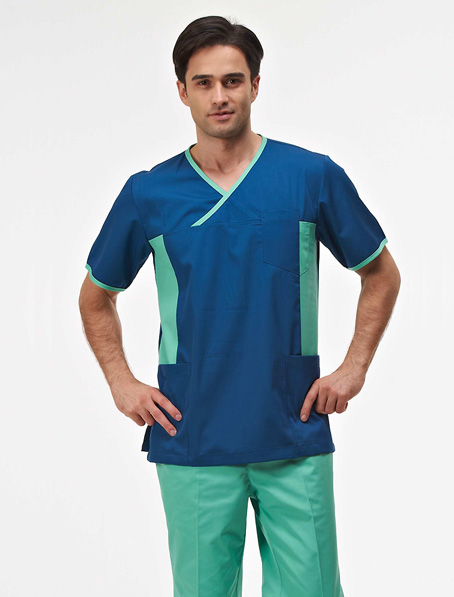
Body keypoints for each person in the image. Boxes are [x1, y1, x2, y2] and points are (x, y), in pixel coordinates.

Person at [79, 15, 401, 597]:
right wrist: (121, 383)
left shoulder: (310, 176)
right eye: (203, 83)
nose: (219, 96)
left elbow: (380, 273)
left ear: (255, 84)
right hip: (193, 433)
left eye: (232, 80)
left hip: (293, 428)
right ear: (182, 91)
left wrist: (353, 369)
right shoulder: (150, 193)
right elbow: (96, 296)